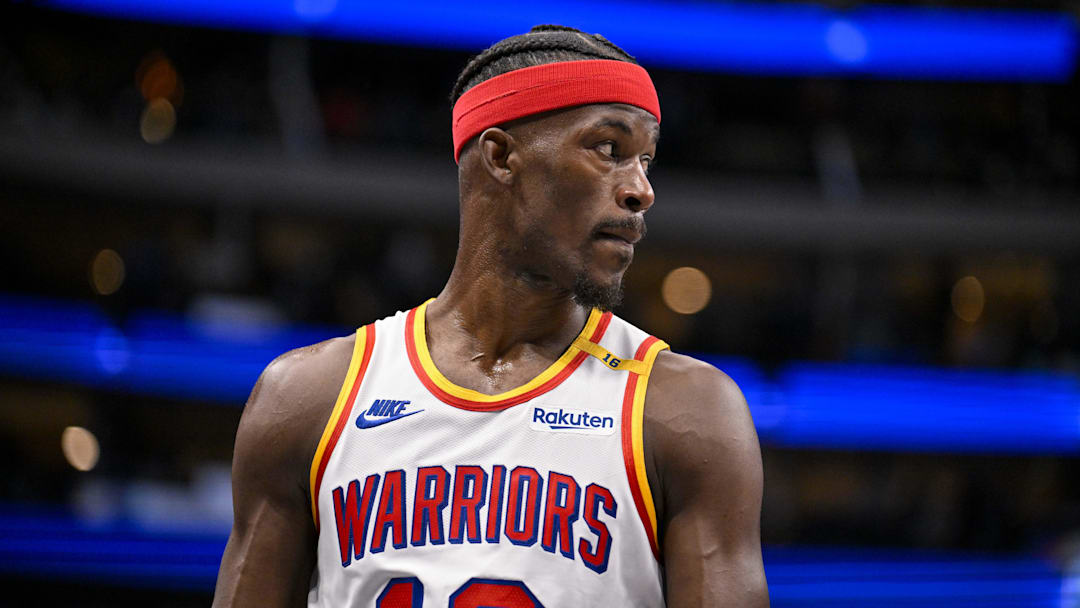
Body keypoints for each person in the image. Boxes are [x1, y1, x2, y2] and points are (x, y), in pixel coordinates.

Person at [213, 25, 768, 607]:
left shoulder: (687, 412)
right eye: (609, 149)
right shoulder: (307, 398)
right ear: (502, 156)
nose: (641, 190)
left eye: (646, 160)